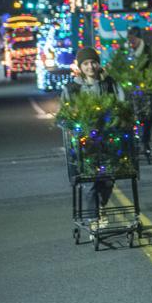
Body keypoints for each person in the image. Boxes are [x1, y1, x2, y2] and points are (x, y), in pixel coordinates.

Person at [61, 47, 126, 228]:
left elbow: (122, 104)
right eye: (86, 63)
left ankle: (101, 206)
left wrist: (118, 119)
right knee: (89, 181)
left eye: (93, 62)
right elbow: (63, 115)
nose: (90, 66)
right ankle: (93, 220)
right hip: (84, 144)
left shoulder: (109, 84)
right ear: (80, 67)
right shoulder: (72, 88)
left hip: (108, 142)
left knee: (107, 179)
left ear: (98, 64)